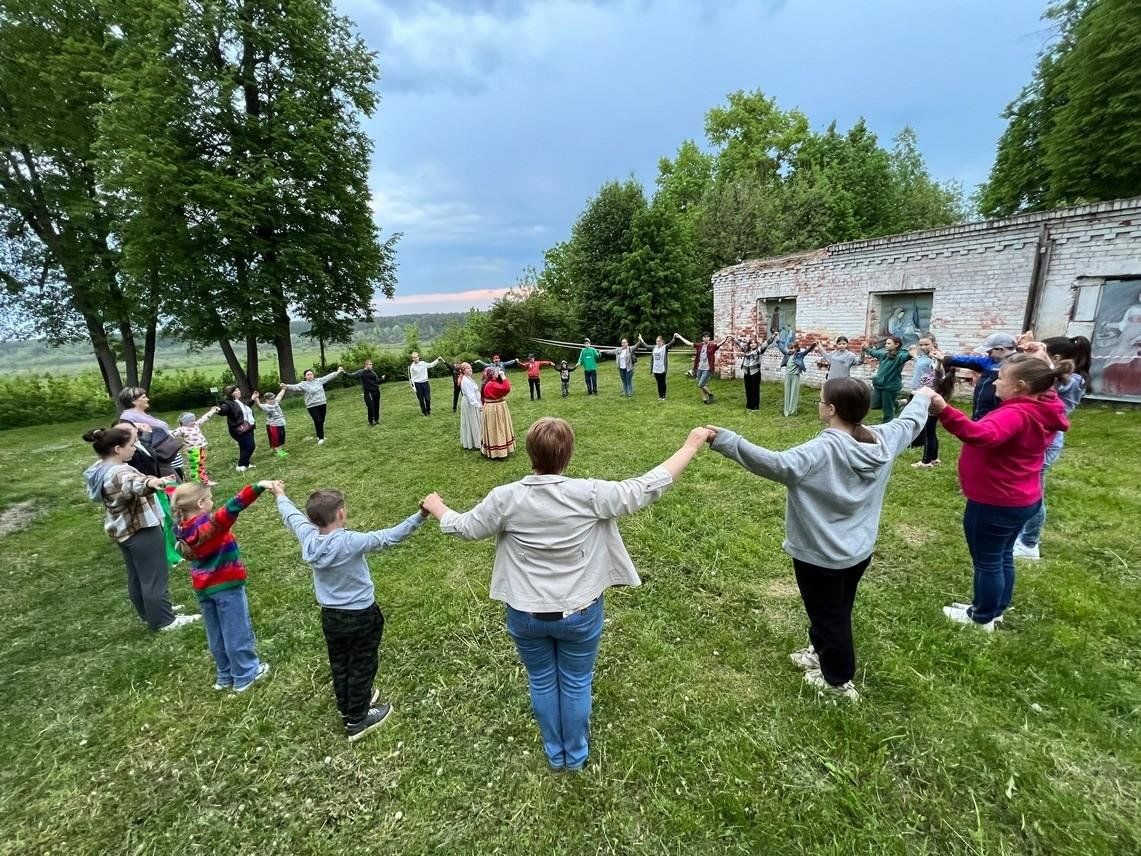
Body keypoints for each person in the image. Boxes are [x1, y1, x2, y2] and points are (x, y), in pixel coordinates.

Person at [420, 417, 713, 771]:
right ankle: (573, 756)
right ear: (568, 454)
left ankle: (554, 751)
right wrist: (691, 444)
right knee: (575, 683)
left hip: (525, 615)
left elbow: (464, 527)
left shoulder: (506, 498)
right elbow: (646, 486)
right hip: (580, 613)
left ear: (529, 453)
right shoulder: (587, 493)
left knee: (543, 680)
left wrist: (437, 506)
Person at [707, 381, 934, 701]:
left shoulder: (820, 451)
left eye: (821, 400)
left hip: (820, 558)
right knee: (833, 609)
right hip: (857, 552)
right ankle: (820, 651)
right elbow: (910, 421)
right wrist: (923, 396)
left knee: (831, 616)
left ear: (831, 410)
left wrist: (727, 440)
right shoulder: (884, 439)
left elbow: (776, 464)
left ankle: (838, 681)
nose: (819, 404)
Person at [270, 482, 429, 742]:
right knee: (362, 664)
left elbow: (291, 516)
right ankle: (357, 720)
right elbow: (389, 537)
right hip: (361, 616)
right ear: (341, 513)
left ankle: (349, 706)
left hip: (331, 617)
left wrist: (280, 495)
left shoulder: (308, 536)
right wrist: (421, 516)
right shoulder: (350, 542)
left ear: (313, 519)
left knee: (341, 662)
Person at [927, 355, 1070, 631]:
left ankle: (981, 617)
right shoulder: (1042, 407)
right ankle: (994, 608)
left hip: (996, 501)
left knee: (988, 561)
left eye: (1001, 378)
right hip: (1022, 498)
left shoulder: (1016, 413)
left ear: (1020, 386)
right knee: (1002, 554)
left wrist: (944, 409)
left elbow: (982, 435)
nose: (994, 383)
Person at [82, 426, 200, 633]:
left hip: (122, 529)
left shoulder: (99, 468)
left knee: (137, 576)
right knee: (154, 576)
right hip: (141, 530)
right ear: (118, 449)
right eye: (130, 445)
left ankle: (151, 612)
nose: (135, 449)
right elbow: (134, 484)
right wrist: (154, 482)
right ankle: (165, 621)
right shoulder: (120, 472)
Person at [172, 481, 272, 692]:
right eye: (209, 499)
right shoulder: (211, 527)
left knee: (215, 632)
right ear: (200, 503)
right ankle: (246, 674)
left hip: (203, 588)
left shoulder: (180, 528)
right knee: (236, 630)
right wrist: (259, 486)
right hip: (226, 586)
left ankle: (225, 674)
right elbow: (234, 505)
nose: (212, 502)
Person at [1013, 335, 1091, 560]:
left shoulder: (1074, 380)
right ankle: (1022, 536)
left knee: (1033, 493)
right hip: (1035, 438)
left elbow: (1048, 383)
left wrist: (1042, 359)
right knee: (1024, 490)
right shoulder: (1058, 375)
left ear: (1056, 358)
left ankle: (1029, 544)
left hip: (1047, 444)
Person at [942, 332, 1017, 421]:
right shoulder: (991, 360)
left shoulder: (1018, 363)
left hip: (997, 414)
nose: (988, 354)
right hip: (980, 411)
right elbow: (970, 360)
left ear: (1000, 349)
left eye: (989, 352)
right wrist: (947, 359)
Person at [117, 386, 185, 477]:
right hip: (161, 459)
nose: (147, 399)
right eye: (144, 397)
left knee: (178, 486)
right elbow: (134, 438)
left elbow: (156, 431)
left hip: (169, 456)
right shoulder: (128, 417)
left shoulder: (140, 414)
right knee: (174, 488)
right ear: (133, 401)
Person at [907, 334, 945, 469]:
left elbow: (939, 372)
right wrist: (914, 356)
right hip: (919, 393)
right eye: (921, 344)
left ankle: (926, 461)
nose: (923, 347)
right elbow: (924, 367)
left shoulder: (935, 356)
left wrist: (939, 361)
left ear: (933, 343)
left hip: (928, 395)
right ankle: (934, 458)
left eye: (926, 344)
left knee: (928, 428)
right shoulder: (924, 357)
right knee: (930, 429)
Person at [280, 367, 344, 442]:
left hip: (322, 403)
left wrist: (338, 372)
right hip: (312, 406)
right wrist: (286, 386)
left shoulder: (319, 381)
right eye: (308, 375)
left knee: (321, 421)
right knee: (318, 420)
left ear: (313, 375)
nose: (310, 376)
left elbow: (328, 377)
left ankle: (318, 435)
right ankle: (321, 438)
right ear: (305, 376)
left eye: (311, 374)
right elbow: (295, 387)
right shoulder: (303, 384)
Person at [861, 336, 912, 422]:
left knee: (887, 409)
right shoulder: (884, 355)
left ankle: (888, 425)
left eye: (889, 343)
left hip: (890, 386)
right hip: (879, 385)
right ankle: (898, 403)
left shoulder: (900, 356)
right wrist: (866, 348)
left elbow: (906, 357)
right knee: (873, 404)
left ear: (896, 345)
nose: (886, 345)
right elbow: (873, 352)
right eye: (886, 343)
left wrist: (911, 353)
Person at [171, 408, 220, 485]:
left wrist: (213, 411)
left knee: (202, 465)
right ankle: (195, 483)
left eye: (194, 420)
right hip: (192, 450)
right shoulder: (182, 429)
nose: (194, 422)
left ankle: (205, 481)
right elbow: (172, 434)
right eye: (191, 421)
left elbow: (204, 418)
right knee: (195, 466)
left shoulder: (196, 425)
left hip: (201, 448)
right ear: (185, 422)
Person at [216, 384, 257, 472]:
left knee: (244, 446)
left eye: (238, 390)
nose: (239, 391)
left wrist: (252, 398)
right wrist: (218, 410)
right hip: (239, 429)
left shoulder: (238, 401)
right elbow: (224, 410)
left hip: (248, 427)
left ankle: (245, 463)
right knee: (250, 446)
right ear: (230, 393)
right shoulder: (228, 403)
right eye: (236, 391)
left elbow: (246, 405)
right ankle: (241, 465)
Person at [732, 332, 776, 411]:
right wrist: (733, 338)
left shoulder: (759, 350)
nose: (752, 344)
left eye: (754, 343)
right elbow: (739, 343)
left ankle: (755, 407)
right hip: (747, 372)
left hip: (755, 373)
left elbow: (767, 343)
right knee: (748, 389)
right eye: (751, 343)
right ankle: (749, 406)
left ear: (756, 344)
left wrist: (773, 336)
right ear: (749, 344)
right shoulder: (746, 349)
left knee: (755, 390)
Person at [675, 332, 722, 404]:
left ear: (709, 338)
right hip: (699, 368)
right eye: (704, 337)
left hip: (707, 369)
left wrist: (726, 339)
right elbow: (689, 343)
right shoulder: (699, 345)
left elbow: (719, 344)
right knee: (702, 385)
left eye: (707, 337)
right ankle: (705, 400)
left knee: (701, 384)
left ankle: (710, 394)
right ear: (702, 338)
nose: (706, 338)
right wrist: (680, 336)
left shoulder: (712, 346)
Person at [480, 366, 516, 460]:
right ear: (492, 374)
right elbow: (506, 388)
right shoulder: (492, 384)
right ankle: (498, 450)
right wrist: (503, 376)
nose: (497, 373)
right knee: (497, 427)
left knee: (492, 427)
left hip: (492, 407)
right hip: (495, 408)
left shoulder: (489, 383)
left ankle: (493, 449)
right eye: (495, 372)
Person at [776, 336, 815, 416]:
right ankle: (786, 411)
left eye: (792, 348)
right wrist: (777, 341)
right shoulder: (787, 354)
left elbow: (807, 351)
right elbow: (781, 348)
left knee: (794, 393)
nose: (790, 350)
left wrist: (813, 345)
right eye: (790, 348)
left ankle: (792, 411)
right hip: (788, 376)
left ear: (797, 349)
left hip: (795, 376)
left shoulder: (800, 355)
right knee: (787, 393)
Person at [638, 334, 676, 400]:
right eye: (657, 341)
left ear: (662, 342)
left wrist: (674, 337)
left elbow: (671, 343)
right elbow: (646, 346)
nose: (658, 342)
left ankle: (663, 396)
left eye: (659, 341)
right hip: (655, 369)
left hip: (662, 368)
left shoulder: (664, 347)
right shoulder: (654, 347)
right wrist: (641, 339)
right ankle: (660, 396)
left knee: (662, 382)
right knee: (658, 382)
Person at [347, 359, 382, 426]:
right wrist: (344, 372)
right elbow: (352, 375)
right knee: (371, 406)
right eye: (370, 364)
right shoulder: (361, 372)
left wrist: (382, 379)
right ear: (366, 365)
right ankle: (371, 421)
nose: (372, 365)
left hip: (376, 391)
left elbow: (377, 382)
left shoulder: (373, 373)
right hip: (368, 392)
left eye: (372, 364)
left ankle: (376, 420)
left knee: (376, 406)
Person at [406, 352, 442, 416]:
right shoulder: (412, 367)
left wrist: (437, 360)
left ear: (419, 357)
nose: (415, 359)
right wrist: (413, 387)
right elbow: (411, 378)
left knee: (428, 398)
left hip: (425, 383)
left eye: (416, 357)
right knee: (421, 400)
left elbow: (431, 365)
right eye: (413, 358)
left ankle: (428, 410)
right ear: (412, 359)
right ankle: (424, 412)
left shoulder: (423, 363)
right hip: (417, 385)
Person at [458, 362, 482, 450]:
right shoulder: (465, 380)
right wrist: (478, 405)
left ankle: (476, 439)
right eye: (468, 368)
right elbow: (470, 394)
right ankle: (475, 442)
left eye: (470, 367)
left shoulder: (468, 378)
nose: (471, 369)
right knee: (472, 420)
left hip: (471, 402)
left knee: (474, 420)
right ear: (464, 371)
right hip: (469, 403)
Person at [256, 391, 288, 458]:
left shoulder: (275, 402)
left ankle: (280, 450)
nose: (273, 399)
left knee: (281, 437)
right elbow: (258, 405)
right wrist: (256, 397)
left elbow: (279, 396)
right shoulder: (265, 406)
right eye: (271, 398)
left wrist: (283, 389)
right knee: (275, 439)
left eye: (273, 398)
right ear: (267, 400)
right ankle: (278, 451)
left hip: (281, 423)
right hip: (273, 425)